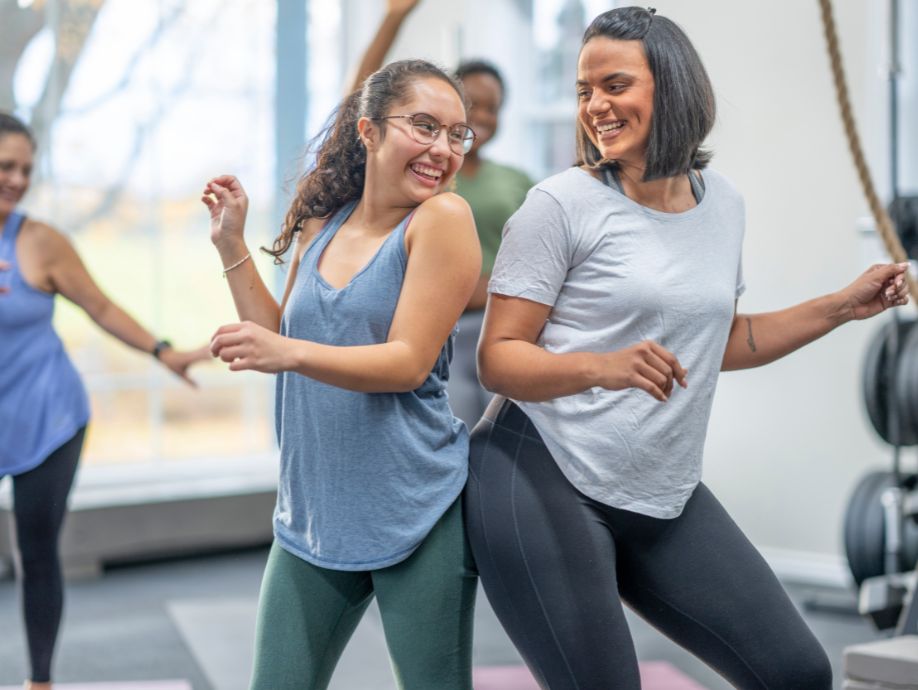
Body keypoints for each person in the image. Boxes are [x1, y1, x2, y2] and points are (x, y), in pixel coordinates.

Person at [463, 8, 911, 690]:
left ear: (670, 86)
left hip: (659, 488)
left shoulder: (721, 203)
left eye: (614, 84)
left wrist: (841, 307)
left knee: (796, 672)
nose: (595, 106)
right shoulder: (559, 205)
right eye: (585, 90)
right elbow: (497, 357)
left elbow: (722, 340)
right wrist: (601, 366)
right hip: (538, 472)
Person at [203, 59, 481, 689]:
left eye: (456, 134)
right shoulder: (319, 226)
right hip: (311, 513)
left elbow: (407, 362)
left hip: (415, 508)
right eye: (424, 126)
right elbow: (281, 338)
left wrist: (290, 355)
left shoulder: (442, 220)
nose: (443, 149)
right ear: (369, 130)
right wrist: (231, 244)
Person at [0, 112, 209, 690]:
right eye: (4, 167)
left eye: (25, 169)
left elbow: (102, 307)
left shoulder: (39, 241)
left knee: (36, 552)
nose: (16, 179)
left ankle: (39, 681)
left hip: (49, 416)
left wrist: (164, 351)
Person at [350, 0, 533, 426]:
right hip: (435, 328)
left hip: (497, 327)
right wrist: (393, 18)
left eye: (493, 108)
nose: (483, 117)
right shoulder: (422, 176)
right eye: (473, 105)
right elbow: (358, 102)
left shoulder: (516, 180)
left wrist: (492, 289)